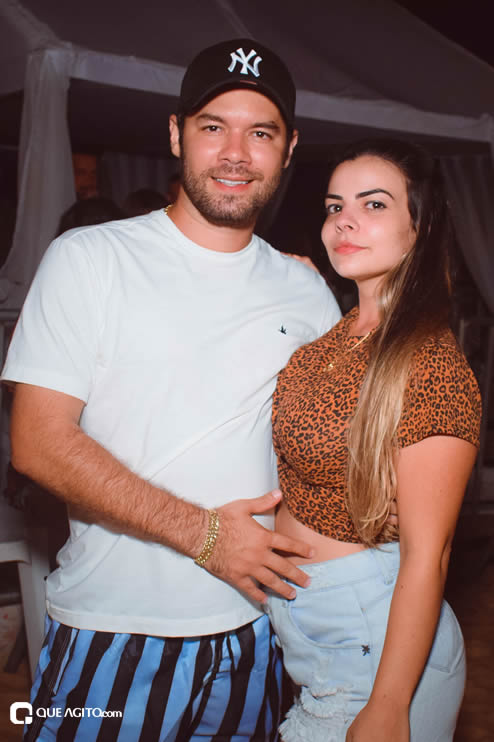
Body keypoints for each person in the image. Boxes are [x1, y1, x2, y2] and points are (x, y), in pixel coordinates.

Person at [2, 39, 341, 741]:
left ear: (289, 149)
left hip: (260, 630)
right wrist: (208, 536)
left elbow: (332, 450)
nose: (235, 153)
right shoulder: (90, 259)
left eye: (261, 133)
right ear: (176, 133)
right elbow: (37, 442)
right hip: (112, 631)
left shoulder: (306, 290)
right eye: (213, 126)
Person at [266, 139, 481, 742]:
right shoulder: (334, 337)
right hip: (315, 632)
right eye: (335, 206)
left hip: (378, 647)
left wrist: (389, 704)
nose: (345, 220)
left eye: (375, 204)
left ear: (420, 226)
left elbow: (429, 554)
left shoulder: (431, 366)